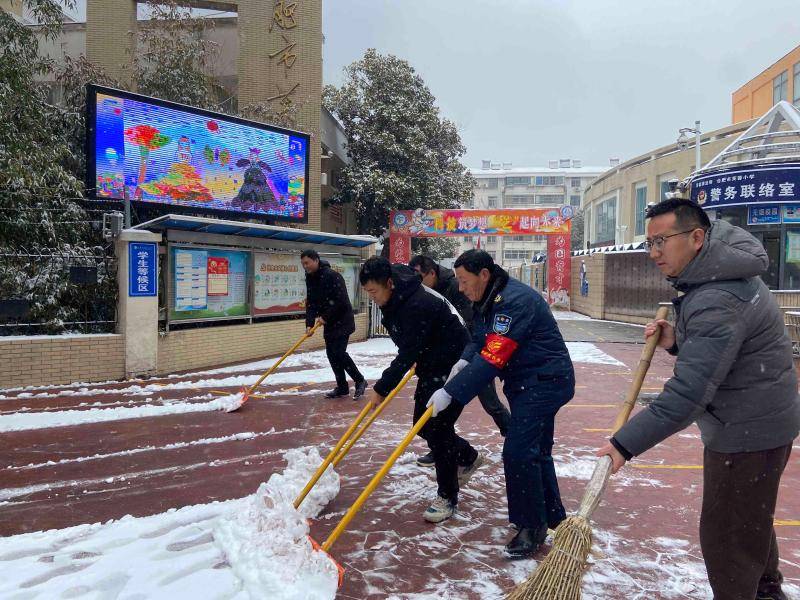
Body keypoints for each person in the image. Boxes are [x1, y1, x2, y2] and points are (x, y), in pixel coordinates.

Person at [596, 198, 800, 600]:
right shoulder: (723, 271)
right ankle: (766, 592)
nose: (654, 253)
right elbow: (726, 352)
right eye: (649, 243)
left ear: (696, 237)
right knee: (749, 523)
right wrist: (677, 342)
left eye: (661, 242)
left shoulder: (717, 297)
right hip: (762, 420)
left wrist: (623, 444)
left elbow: (689, 393)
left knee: (727, 538)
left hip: (745, 434)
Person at [427, 249, 575, 558]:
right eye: (458, 281)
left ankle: (532, 527)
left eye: (465, 281)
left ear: (484, 274)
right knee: (537, 451)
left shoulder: (513, 302)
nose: (462, 288)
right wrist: (463, 361)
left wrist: (450, 391)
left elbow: (494, 355)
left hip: (544, 381)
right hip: (528, 382)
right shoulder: (489, 298)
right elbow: (479, 339)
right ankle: (553, 517)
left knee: (519, 452)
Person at [360, 257, 483, 523]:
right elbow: (407, 342)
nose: (372, 298)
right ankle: (468, 456)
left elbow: (407, 353)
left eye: (373, 292)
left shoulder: (416, 303)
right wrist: (416, 352)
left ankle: (448, 496)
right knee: (423, 425)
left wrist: (381, 388)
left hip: (454, 363)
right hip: (431, 361)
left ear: (389, 283)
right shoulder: (394, 297)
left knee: (438, 429)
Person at [409, 254, 511, 469]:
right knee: (441, 412)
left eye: (420, 278)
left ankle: (512, 437)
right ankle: (441, 446)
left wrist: (467, 356)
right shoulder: (428, 291)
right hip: (450, 357)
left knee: (490, 402)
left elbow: (469, 324)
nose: (418, 284)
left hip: (475, 354)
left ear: (431, 273)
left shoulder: (457, 288)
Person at [301, 249, 367, 400]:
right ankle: (342, 387)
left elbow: (341, 300)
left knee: (338, 352)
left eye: (307, 263)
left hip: (343, 319)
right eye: (303, 264)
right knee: (331, 354)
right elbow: (311, 302)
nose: (305, 266)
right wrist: (309, 324)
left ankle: (360, 380)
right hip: (330, 322)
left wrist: (325, 316)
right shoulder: (310, 278)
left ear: (316, 260)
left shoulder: (332, 276)